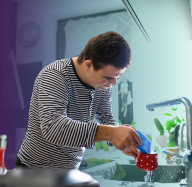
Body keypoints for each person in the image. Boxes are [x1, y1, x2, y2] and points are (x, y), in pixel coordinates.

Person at [16, 31, 141, 170]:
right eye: (108, 78)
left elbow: (106, 118)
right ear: (88, 65)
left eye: (117, 77)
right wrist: (111, 134)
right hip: (33, 170)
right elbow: (54, 128)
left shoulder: (102, 84)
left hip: (68, 171)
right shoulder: (55, 75)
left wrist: (123, 141)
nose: (113, 83)